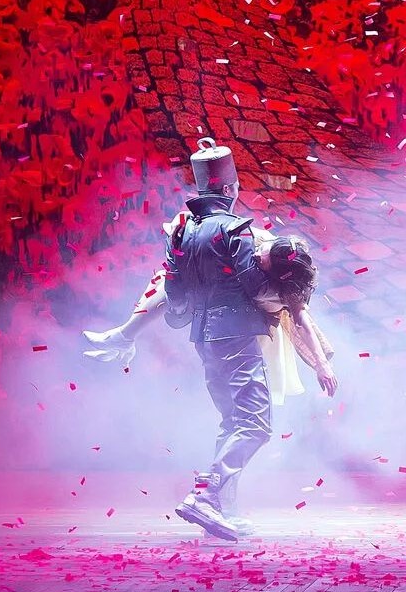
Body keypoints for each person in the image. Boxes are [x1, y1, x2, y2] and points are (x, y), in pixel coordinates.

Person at [84, 138, 336, 540]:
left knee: (232, 421)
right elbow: (254, 288)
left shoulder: (182, 233)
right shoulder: (236, 231)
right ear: (230, 188)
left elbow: (174, 291)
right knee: (255, 425)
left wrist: (134, 328)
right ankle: (209, 497)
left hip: (204, 340)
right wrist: (285, 289)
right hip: (236, 337)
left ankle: (224, 509)